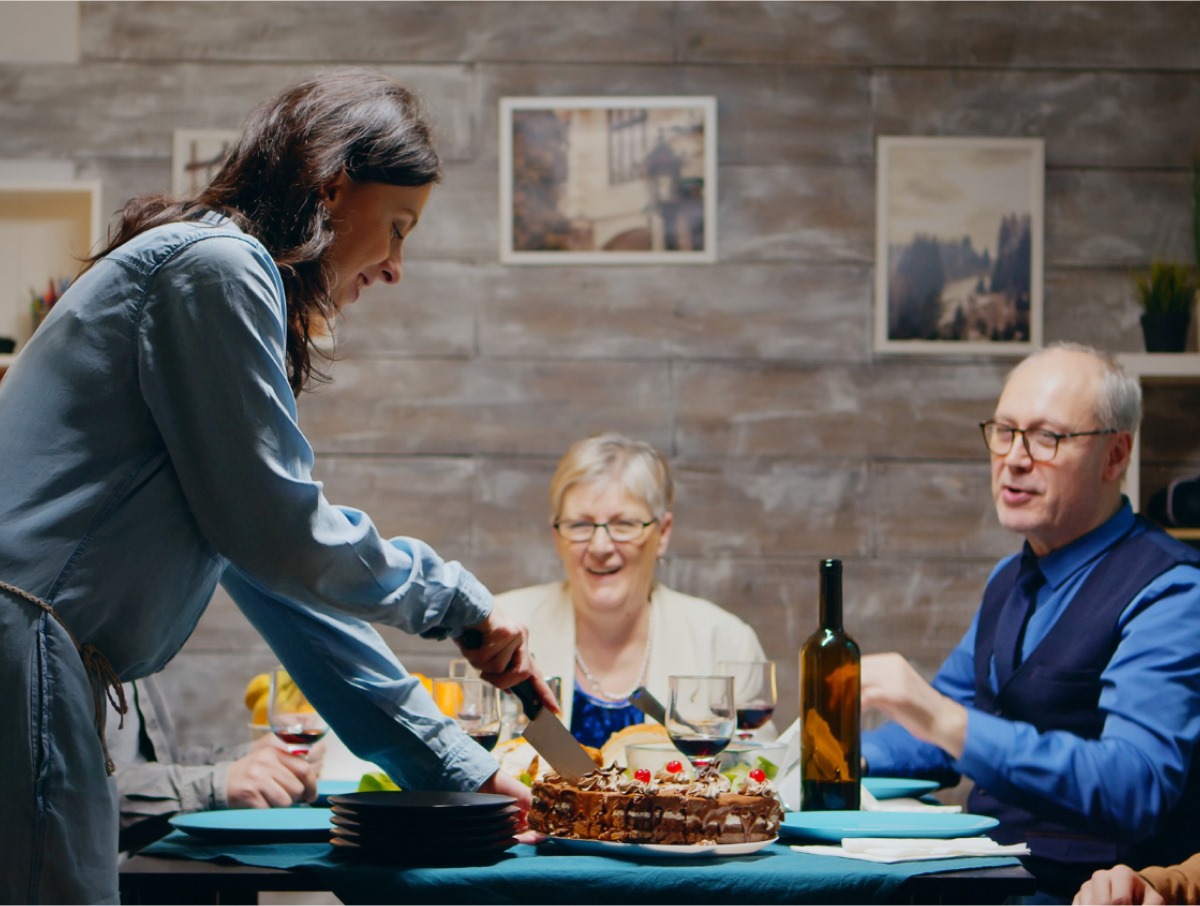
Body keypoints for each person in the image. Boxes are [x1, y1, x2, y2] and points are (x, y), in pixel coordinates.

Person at [0, 69, 554, 904]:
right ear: (335, 186)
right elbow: (283, 537)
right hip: (22, 654)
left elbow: (277, 573)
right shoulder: (218, 266)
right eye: (398, 227)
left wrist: (452, 766)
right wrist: (456, 604)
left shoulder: (207, 272)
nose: (396, 267)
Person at [859, 343, 1200, 901]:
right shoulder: (1008, 578)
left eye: (1047, 438)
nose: (1015, 458)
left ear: (1116, 456)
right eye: (1005, 431)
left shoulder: (1172, 590)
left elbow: (1134, 786)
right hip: (982, 877)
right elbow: (944, 720)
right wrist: (834, 756)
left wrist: (945, 720)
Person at [495, 432, 770, 748]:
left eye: (623, 524)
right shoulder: (502, 630)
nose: (600, 546)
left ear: (662, 533)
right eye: (580, 525)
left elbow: (760, 777)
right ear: (557, 537)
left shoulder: (726, 642)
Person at [106, 675, 326, 855]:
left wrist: (246, 756)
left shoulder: (139, 657)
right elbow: (81, 800)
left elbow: (159, 762)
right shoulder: (76, 655)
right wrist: (217, 784)